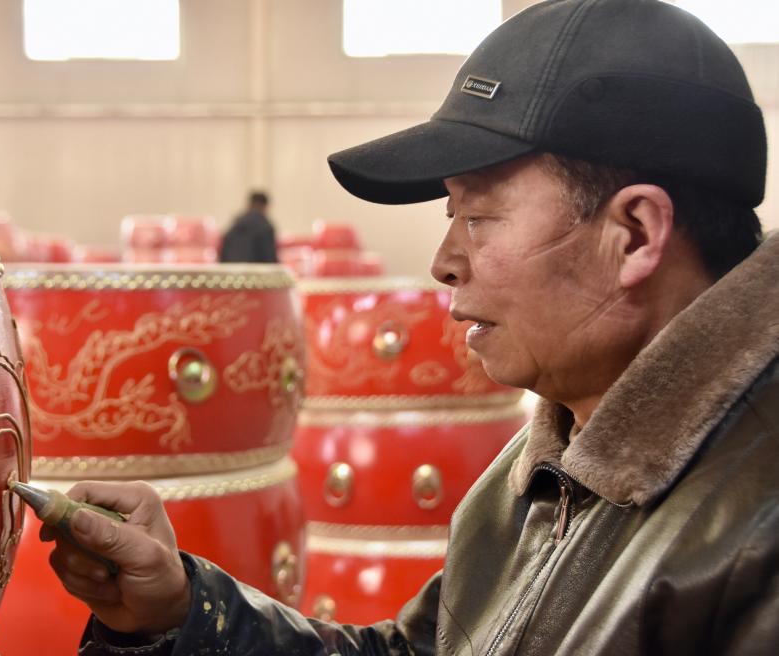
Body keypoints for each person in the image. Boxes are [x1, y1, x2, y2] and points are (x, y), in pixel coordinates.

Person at [43, 1, 778, 653]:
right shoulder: (539, 469)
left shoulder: (756, 530)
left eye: (478, 216)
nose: (444, 263)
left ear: (636, 232)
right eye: (451, 215)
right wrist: (180, 612)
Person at [218, 190, 279, 263]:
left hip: (230, 267)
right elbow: (270, 258)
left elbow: (223, 251)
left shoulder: (236, 223)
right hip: (254, 268)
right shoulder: (266, 226)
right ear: (265, 207)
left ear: (249, 205)